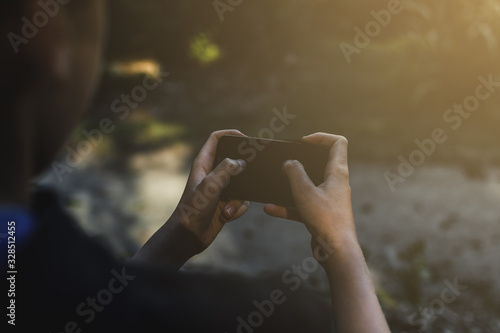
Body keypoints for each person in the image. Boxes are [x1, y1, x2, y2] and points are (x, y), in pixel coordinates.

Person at [0, 1, 390, 332]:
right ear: (48, 36)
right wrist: (342, 250)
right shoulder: (271, 316)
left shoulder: (25, 284)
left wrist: (178, 237)